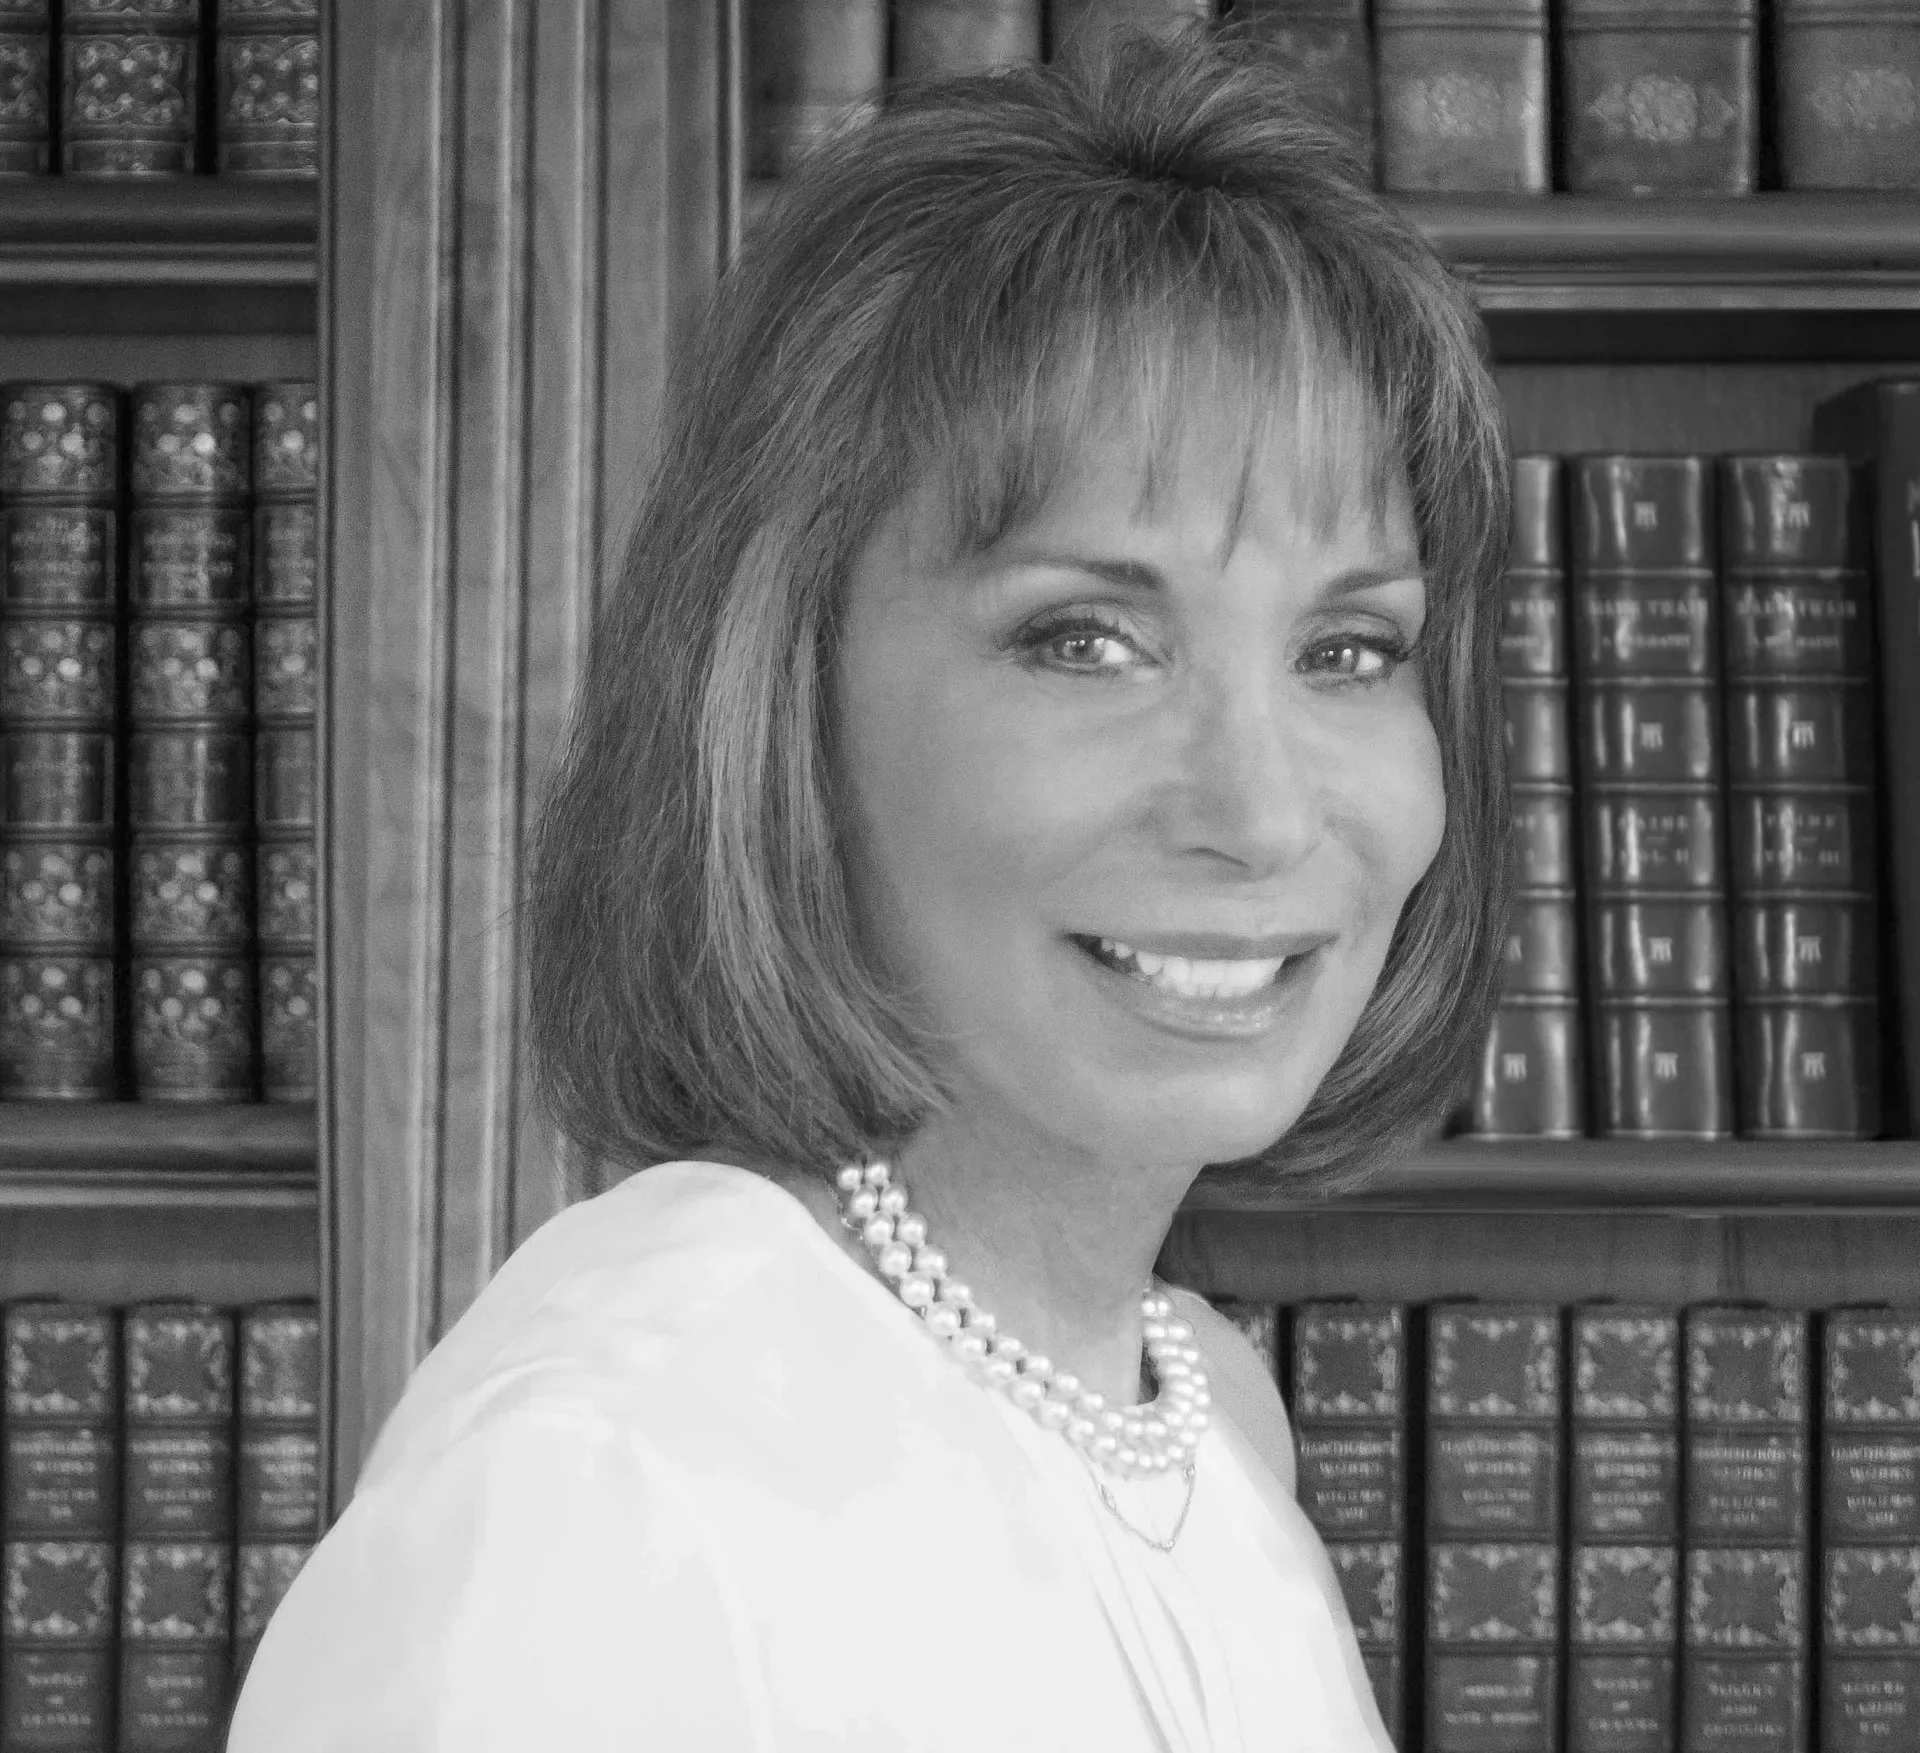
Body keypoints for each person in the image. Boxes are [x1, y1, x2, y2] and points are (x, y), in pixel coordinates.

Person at [227, 24, 1511, 1752]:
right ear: (780, 697)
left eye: (1348, 648)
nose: (1262, 812)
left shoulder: (1198, 1429)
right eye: (1087, 638)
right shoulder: (600, 1503)